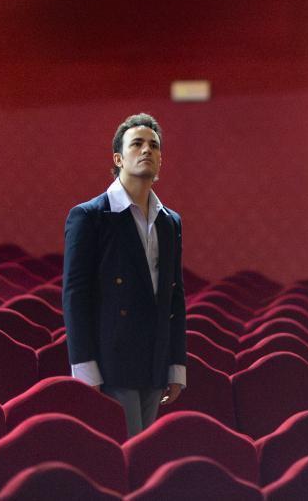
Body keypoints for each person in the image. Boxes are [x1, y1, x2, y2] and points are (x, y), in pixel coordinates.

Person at [62, 113, 187, 437]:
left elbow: (174, 298)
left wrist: (175, 367)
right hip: (110, 361)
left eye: (154, 146)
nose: (146, 150)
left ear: (161, 160)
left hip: (154, 360)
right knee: (126, 456)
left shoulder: (169, 221)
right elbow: (75, 296)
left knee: (145, 457)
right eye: (137, 144)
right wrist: (85, 370)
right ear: (118, 158)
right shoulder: (90, 216)